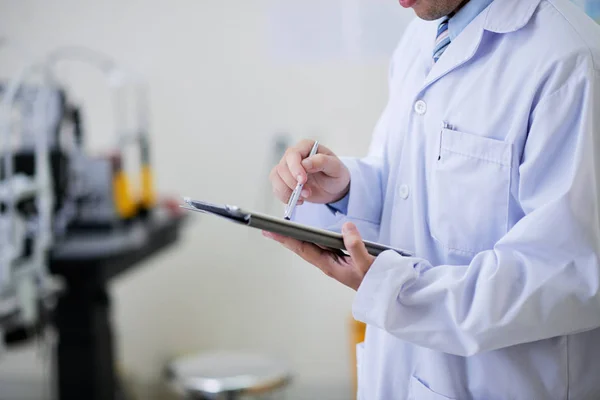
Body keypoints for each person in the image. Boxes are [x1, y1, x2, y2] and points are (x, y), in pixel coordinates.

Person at [264, 0, 600, 398]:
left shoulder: (569, 59)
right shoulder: (422, 36)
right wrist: (346, 189)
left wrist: (398, 292)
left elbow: (566, 274)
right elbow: (409, 184)